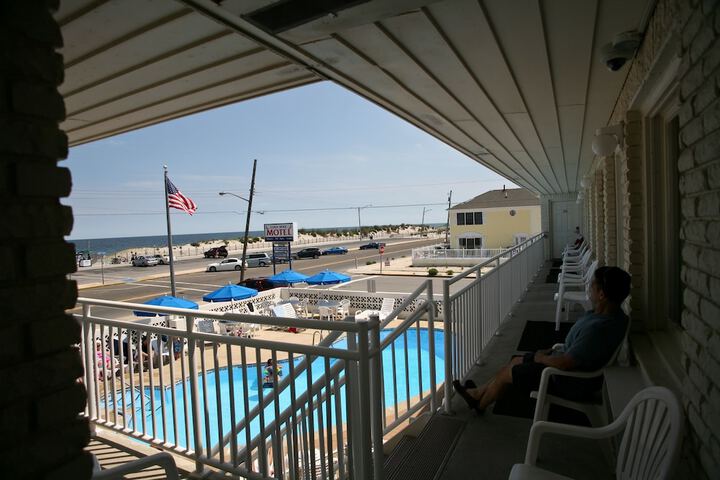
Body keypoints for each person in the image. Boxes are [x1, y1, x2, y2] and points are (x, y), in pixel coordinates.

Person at [453, 266, 631, 413]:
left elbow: (565, 363)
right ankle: (478, 393)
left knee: (508, 373)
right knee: (515, 361)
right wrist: (551, 352)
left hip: (564, 379)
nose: (588, 287)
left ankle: (479, 405)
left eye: (592, 285)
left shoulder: (598, 329)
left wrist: (541, 358)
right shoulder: (611, 317)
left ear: (602, 295)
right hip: (566, 368)